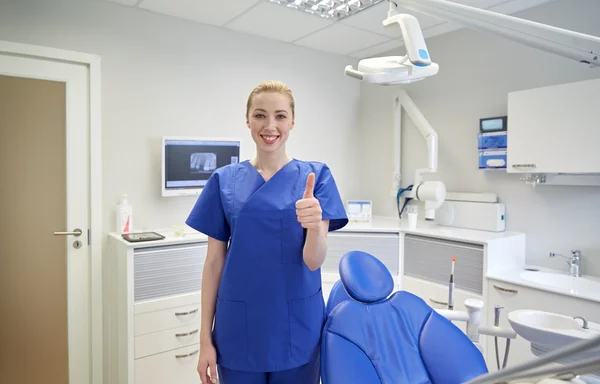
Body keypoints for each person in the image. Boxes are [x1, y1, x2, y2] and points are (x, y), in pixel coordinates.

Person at [185, 80, 349, 384]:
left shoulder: (317, 177)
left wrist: (314, 226)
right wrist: (204, 340)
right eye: (260, 115)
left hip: (298, 326)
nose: (270, 125)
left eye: (280, 116)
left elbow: (314, 260)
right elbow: (213, 264)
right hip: (239, 328)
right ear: (247, 120)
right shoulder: (224, 181)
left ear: (292, 122)